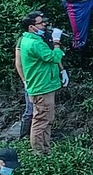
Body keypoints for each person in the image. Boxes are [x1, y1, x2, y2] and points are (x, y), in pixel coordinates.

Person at [17, 11, 66, 153]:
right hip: (42, 87)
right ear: (31, 27)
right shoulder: (34, 43)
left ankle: (46, 149)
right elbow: (54, 57)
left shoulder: (30, 40)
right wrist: (56, 42)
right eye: (41, 22)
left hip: (44, 85)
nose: (44, 24)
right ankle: (39, 153)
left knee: (47, 119)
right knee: (41, 121)